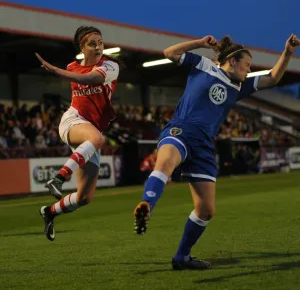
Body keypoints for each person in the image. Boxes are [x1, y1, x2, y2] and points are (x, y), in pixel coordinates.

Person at [133, 34, 300, 270]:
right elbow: (170, 53)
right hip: (182, 129)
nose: (249, 69)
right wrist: (200, 44)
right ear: (232, 61)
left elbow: (272, 78)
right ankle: (147, 205)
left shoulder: (239, 86)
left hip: (204, 145)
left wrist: (288, 53)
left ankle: (182, 257)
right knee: (165, 165)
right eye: (247, 65)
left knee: (206, 210)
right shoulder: (203, 65)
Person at [36, 26, 121, 241]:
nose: (98, 47)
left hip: (91, 130)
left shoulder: (110, 66)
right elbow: (80, 77)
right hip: (73, 121)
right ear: (82, 47)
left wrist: (55, 71)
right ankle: (58, 179)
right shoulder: (72, 66)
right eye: (92, 43)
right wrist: (60, 70)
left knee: (85, 197)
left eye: (100, 42)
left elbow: (88, 79)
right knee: (97, 139)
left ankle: (49, 212)